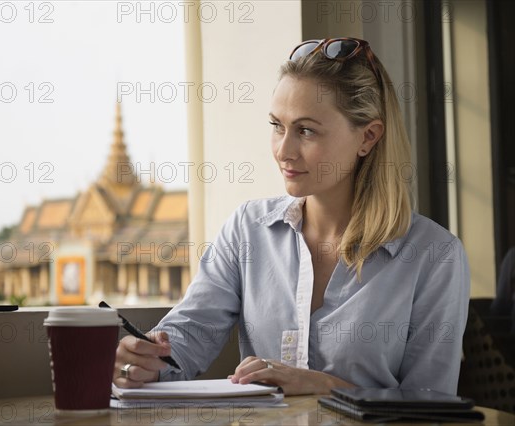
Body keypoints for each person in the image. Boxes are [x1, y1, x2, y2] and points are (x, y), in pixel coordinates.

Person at [113, 38, 471, 396]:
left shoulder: (435, 255)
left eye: (306, 131)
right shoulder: (247, 230)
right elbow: (188, 336)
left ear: (368, 136)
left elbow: (432, 404)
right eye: (277, 126)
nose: (283, 151)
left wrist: (326, 386)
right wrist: (147, 361)